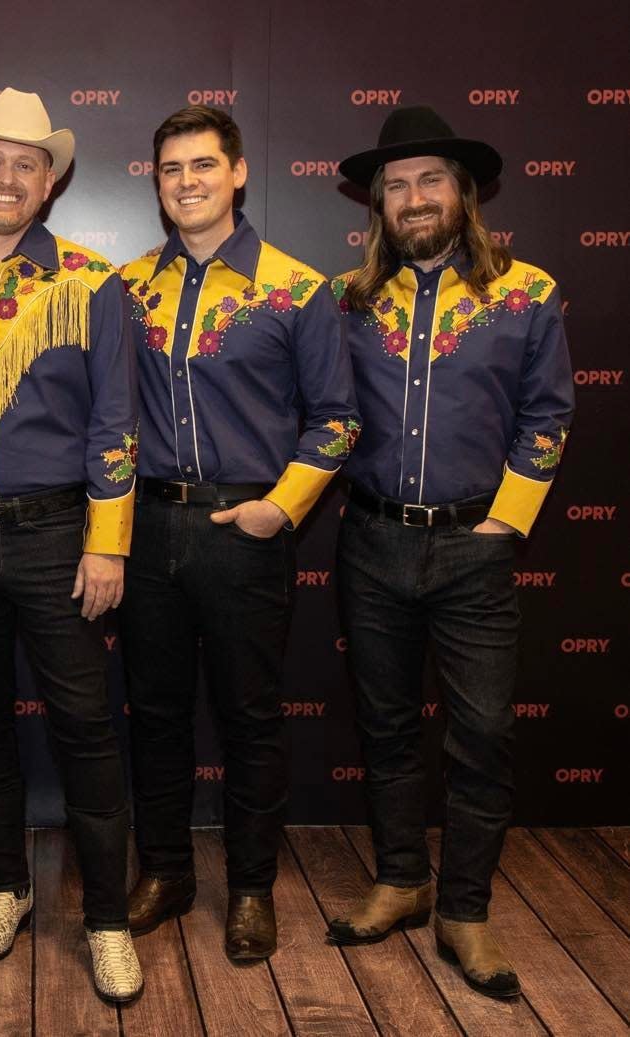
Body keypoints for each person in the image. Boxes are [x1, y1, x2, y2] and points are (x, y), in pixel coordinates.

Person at [326, 106, 574, 999]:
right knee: (387, 726)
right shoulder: (349, 302)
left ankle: (465, 908)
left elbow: (548, 416)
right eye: (396, 185)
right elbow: (325, 417)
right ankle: (401, 878)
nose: (414, 197)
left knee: (481, 735)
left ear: (463, 193)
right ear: (379, 205)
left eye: (430, 180)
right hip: (372, 541)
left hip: (475, 549)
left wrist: (505, 522)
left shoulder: (529, 294)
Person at [0, 88, 142, 1003]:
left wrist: (108, 542)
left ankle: (110, 917)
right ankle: (5, 884)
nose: (7, 178)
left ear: (52, 182)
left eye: (27, 164)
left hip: (57, 539)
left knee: (86, 728)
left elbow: (115, 424)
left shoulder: (91, 281)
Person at [118, 106, 358, 962]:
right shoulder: (127, 285)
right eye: (171, 167)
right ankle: (167, 871)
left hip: (246, 530)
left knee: (252, 717)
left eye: (203, 165)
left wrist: (279, 507)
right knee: (153, 714)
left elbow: (337, 421)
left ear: (240, 171)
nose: (186, 181)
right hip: (146, 526)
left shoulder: (299, 289)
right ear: (156, 181)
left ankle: (253, 889)